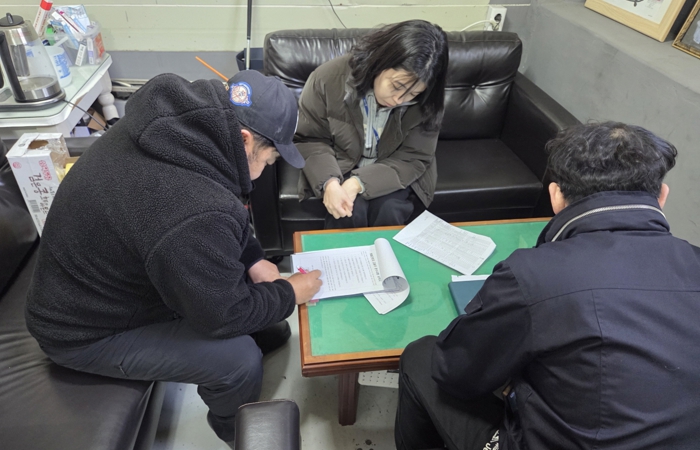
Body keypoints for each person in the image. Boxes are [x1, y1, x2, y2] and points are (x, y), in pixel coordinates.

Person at [25, 70, 322, 445]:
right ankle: (236, 432)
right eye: (270, 158)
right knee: (239, 360)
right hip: (84, 331)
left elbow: (220, 208)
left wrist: (255, 259)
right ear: (246, 139)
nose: (265, 170)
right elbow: (222, 315)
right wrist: (290, 292)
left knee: (266, 320)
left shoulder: (177, 132)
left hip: (105, 280)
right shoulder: (191, 208)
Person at [394, 122, 700, 449]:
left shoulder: (532, 274)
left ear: (555, 196)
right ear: (662, 196)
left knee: (422, 357)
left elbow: (453, 371)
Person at [295, 19, 449, 229]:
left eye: (413, 94)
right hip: (341, 162)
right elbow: (309, 139)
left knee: (389, 209)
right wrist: (330, 183)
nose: (398, 100)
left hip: (395, 167)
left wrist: (357, 183)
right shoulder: (327, 79)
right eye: (396, 86)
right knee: (348, 211)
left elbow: (414, 156)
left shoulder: (429, 100)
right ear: (380, 62)